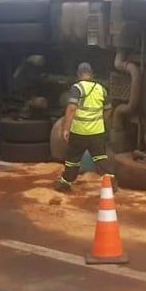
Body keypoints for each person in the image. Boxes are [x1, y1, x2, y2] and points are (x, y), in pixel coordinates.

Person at [55, 62, 113, 193]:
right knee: (100, 158)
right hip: (97, 132)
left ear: (78, 74)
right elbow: (109, 109)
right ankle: (111, 184)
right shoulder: (101, 88)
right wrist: (102, 122)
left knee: (73, 159)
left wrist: (66, 128)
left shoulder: (77, 88)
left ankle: (65, 183)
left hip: (79, 132)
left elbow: (71, 108)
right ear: (91, 74)